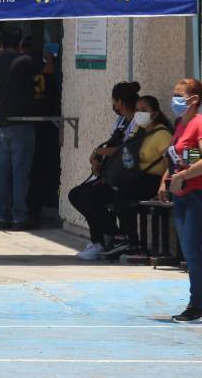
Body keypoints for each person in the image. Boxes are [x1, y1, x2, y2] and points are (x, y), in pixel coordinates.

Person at [69, 96, 172, 260]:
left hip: (150, 181)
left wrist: (164, 185)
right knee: (78, 194)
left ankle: (128, 241)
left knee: (118, 195)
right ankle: (105, 239)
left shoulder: (161, 134)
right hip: (130, 178)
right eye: (137, 110)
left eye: (144, 110)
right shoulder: (140, 132)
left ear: (155, 113)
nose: (139, 114)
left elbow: (170, 161)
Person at [69, 81, 141, 258]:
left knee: (88, 196)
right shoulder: (122, 121)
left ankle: (116, 237)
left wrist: (101, 152)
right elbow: (114, 145)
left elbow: (128, 149)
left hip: (130, 180)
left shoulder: (141, 124)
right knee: (78, 194)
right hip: (115, 175)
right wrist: (97, 156)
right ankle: (99, 241)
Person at [159, 78, 202, 323]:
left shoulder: (199, 124)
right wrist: (166, 179)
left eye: (179, 95)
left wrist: (182, 176)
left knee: (193, 251)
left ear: (194, 99)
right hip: (181, 196)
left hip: (197, 194)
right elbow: (185, 157)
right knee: (190, 250)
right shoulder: (179, 124)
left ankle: (196, 305)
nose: (174, 99)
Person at [0, 27, 38, 230]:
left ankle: (1, 215)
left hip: (1, 125)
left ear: (1, 43)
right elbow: (43, 72)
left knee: (2, 172)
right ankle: (19, 216)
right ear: (19, 43)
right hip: (21, 124)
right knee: (20, 173)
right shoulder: (25, 61)